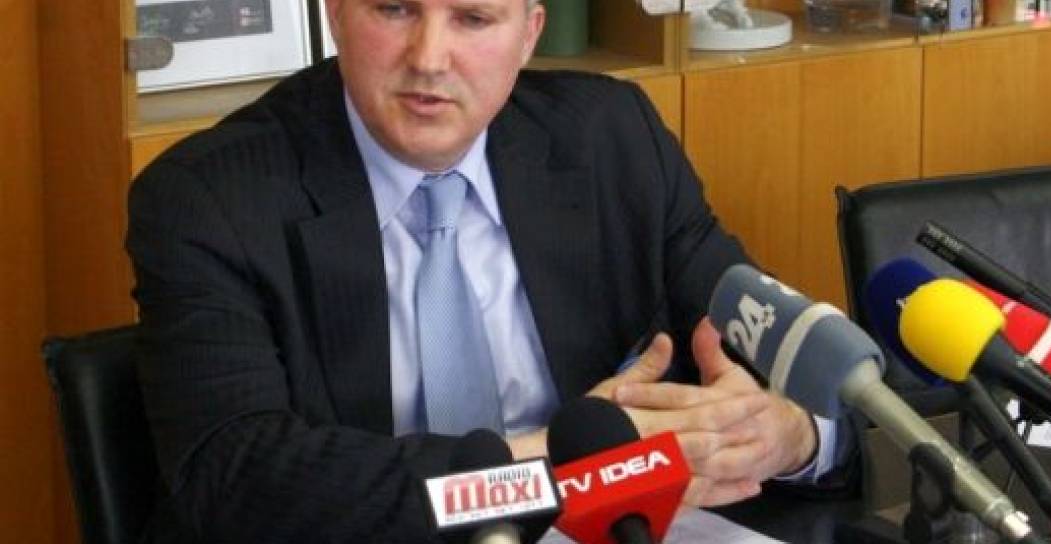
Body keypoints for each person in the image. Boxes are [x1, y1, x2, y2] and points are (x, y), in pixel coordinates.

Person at [126, 0, 861, 541]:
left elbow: (780, 354)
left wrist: (789, 434)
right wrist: (548, 468)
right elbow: (233, 476)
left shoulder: (611, 141)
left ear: (528, 33)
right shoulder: (211, 197)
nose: (429, 57)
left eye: (473, 18)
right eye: (394, 9)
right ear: (335, 13)